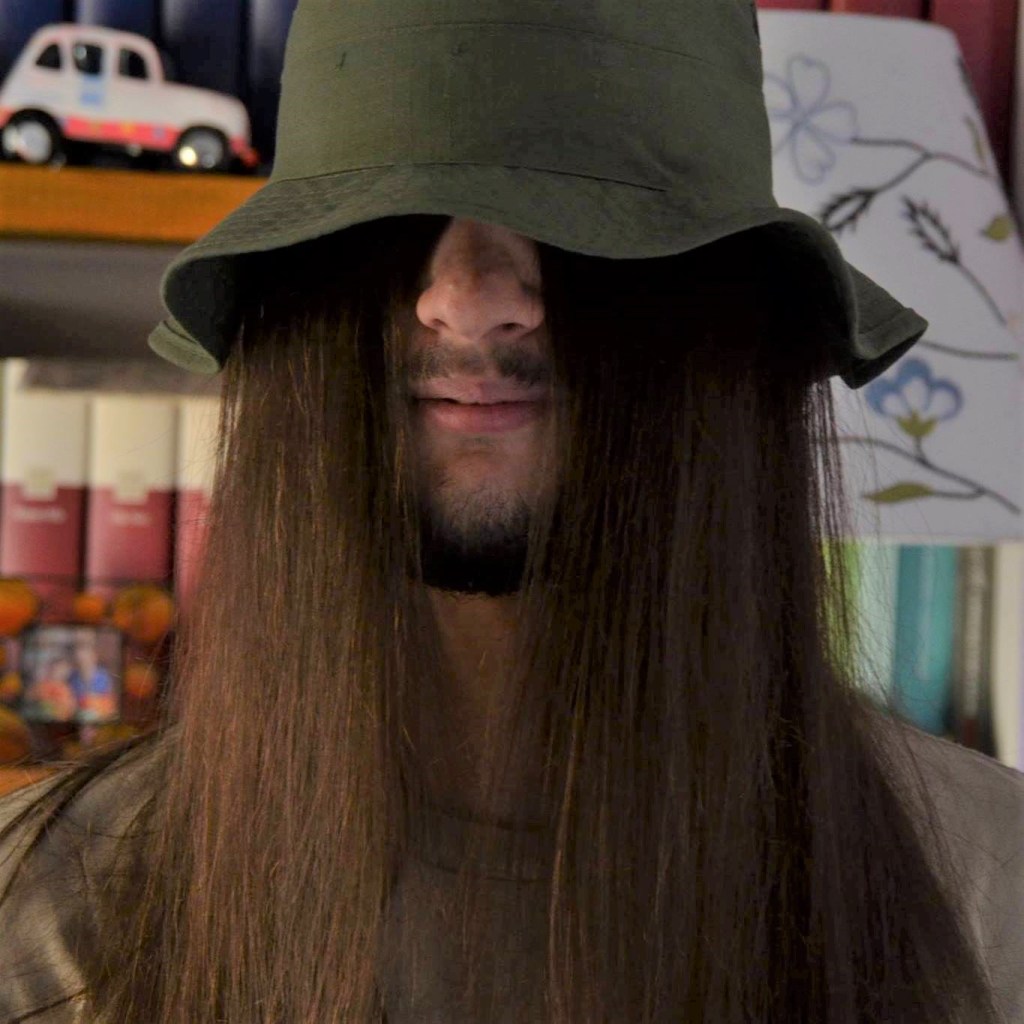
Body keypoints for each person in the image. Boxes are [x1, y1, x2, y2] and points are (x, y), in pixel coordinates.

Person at [1, 0, 1022, 1021]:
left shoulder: (990, 903)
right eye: (388, 221)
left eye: (579, 218)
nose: (469, 293)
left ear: (730, 309)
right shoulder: (43, 920)